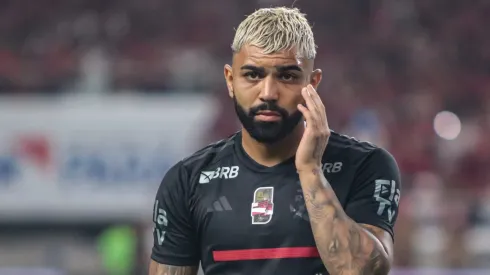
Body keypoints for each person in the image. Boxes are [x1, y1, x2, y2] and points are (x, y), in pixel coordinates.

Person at [149, 7, 401, 275]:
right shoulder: (188, 181)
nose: (268, 93)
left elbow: (362, 271)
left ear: (312, 83)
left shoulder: (365, 165)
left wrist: (310, 170)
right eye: (253, 75)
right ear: (230, 80)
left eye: (287, 76)